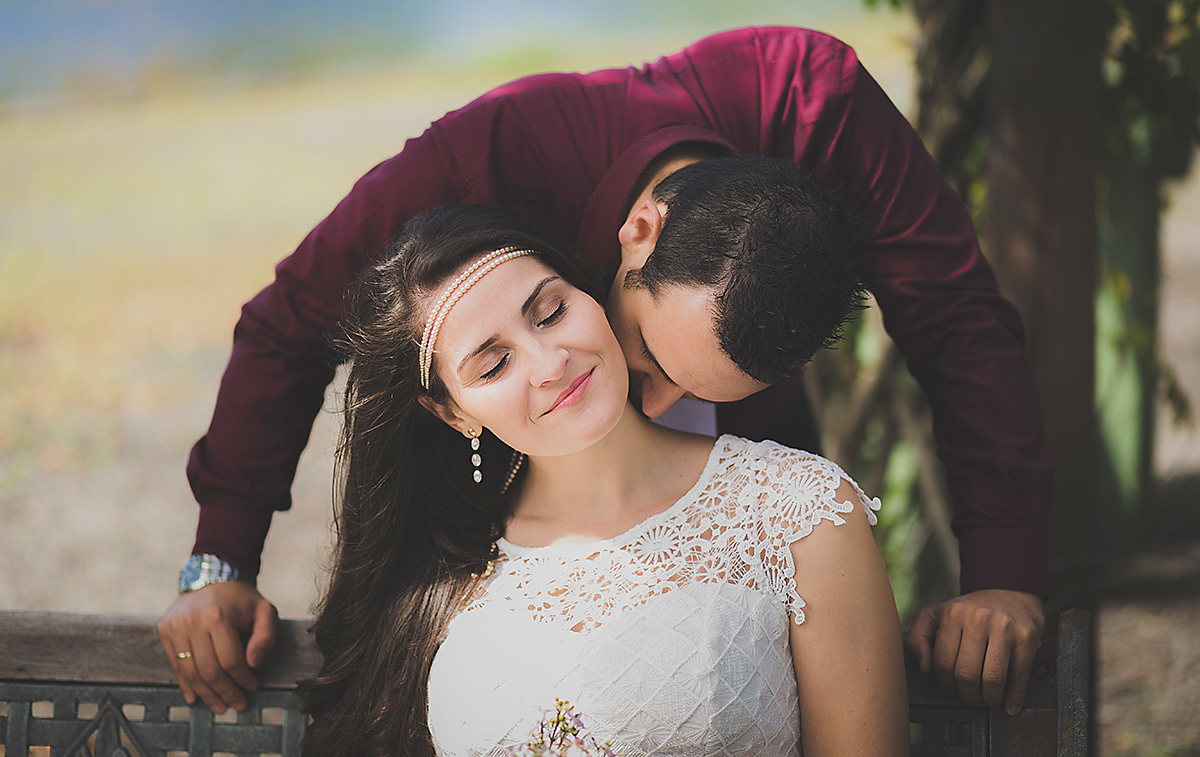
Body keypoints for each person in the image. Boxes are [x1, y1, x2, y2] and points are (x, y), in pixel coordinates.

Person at [159, 26, 1050, 717]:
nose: (654, 401)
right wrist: (221, 558)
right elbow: (289, 325)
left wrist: (1003, 567)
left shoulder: (831, 115)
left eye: (699, 389)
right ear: (639, 232)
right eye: (651, 355)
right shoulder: (484, 157)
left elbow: (956, 319)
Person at [298, 205, 908, 756]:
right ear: (453, 412)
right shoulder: (441, 569)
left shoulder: (797, 509)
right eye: (493, 363)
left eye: (552, 311)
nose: (550, 363)